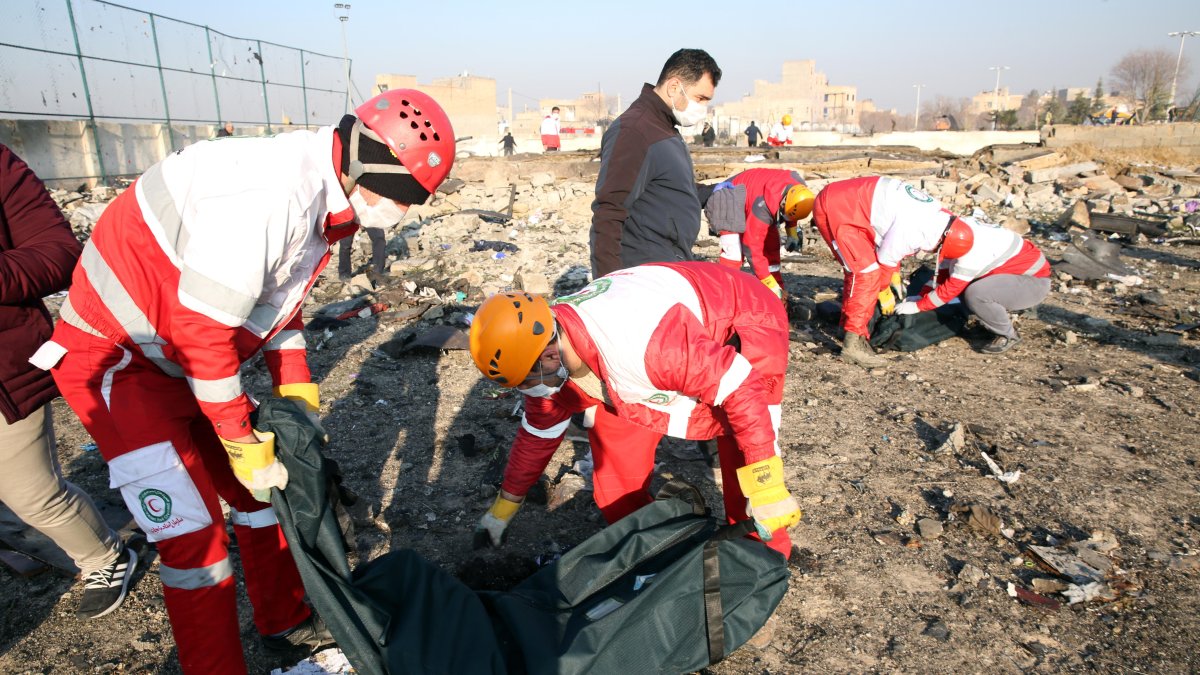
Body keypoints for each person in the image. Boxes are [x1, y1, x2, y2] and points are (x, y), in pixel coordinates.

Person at [40, 89, 456, 674]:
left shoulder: (319, 196)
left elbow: (275, 309)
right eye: (402, 197)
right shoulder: (270, 195)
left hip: (178, 358)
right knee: (195, 544)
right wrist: (239, 437)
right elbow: (205, 335)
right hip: (117, 363)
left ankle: (282, 619)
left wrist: (298, 394)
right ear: (367, 162)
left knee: (259, 495)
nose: (404, 213)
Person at [468, 262, 801, 559]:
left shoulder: (646, 346)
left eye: (526, 383)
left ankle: (764, 559)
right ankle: (657, 549)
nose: (528, 392)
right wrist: (503, 508)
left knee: (743, 443)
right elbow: (537, 434)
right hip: (643, 348)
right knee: (615, 476)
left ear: (550, 356)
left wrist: (766, 485)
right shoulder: (546, 344)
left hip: (742, 314)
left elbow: (738, 387)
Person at [1, 143, 141, 621]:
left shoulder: (1, 166)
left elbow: (59, 253)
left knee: (33, 494)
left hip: (4, 373)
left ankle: (105, 557)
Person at [589, 48, 722, 278]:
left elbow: (667, 190)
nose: (702, 108)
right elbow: (609, 211)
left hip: (670, 264)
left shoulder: (665, 128)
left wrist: (714, 192)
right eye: (700, 98)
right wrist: (608, 287)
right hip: (643, 272)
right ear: (673, 87)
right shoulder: (636, 131)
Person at [810, 176, 961, 368]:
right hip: (840, 208)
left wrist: (894, 276)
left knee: (859, 271)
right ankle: (852, 345)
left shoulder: (934, 216)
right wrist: (883, 290)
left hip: (849, 202)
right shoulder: (918, 229)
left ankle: (847, 328)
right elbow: (888, 257)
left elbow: (892, 244)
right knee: (866, 274)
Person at [894, 218, 1050, 354]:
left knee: (976, 294)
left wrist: (919, 306)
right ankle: (987, 319)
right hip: (1012, 275)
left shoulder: (972, 254)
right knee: (967, 289)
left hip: (1033, 282)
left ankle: (1007, 335)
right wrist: (922, 295)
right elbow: (943, 272)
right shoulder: (959, 233)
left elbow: (951, 288)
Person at [704, 168, 814, 300]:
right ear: (783, 202)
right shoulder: (762, 209)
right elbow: (752, 249)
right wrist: (768, 282)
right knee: (734, 254)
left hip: (753, 195)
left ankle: (775, 293)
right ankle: (724, 297)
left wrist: (792, 232)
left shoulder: (800, 191)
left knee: (771, 245)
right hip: (728, 197)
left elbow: (792, 210)